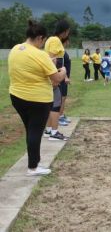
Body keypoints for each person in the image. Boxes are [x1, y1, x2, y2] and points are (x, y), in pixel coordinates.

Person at [8, 20, 66, 176]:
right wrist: (64, 70)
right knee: (35, 132)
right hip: (37, 100)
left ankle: (34, 162)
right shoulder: (40, 55)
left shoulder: (15, 49)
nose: (43, 44)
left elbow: (29, 67)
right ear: (40, 38)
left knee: (30, 130)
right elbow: (57, 78)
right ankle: (33, 167)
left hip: (17, 96)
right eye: (43, 41)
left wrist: (48, 62)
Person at [44, 19, 70, 141]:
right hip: (55, 76)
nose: (68, 34)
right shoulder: (55, 40)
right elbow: (52, 59)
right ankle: (54, 132)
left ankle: (48, 130)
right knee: (56, 104)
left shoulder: (51, 39)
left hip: (55, 74)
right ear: (64, 31)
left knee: (52, 103)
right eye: (68, 31)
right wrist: (55, 78)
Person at [58, 38, 71, 126]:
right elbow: (60, 65)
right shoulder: (60, 51)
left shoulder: (63, 51)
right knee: (61, 98)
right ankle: (59, 117)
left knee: (64, 97)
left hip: (65, 77)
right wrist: (65, 77)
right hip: (62, 78)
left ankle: (61, 114)